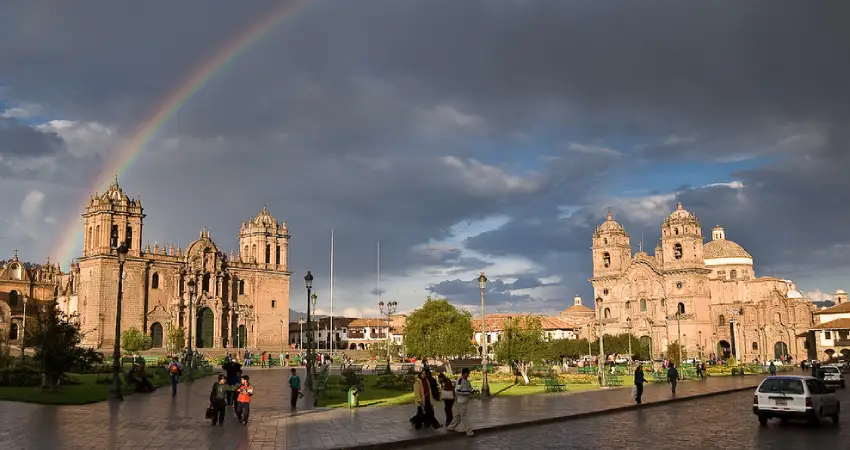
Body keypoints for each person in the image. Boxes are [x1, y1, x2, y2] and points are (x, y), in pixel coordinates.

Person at [447, 368, 474, 437]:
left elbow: (469, 388)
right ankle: (469, 432)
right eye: (467, 374)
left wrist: (472, 391)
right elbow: (458, 391)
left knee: (458, 416)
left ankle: (451, 427)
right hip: (461, 402)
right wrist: (468, 392)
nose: (468, 375)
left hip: (465, 401)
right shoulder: (460, 381)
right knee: (464, 417)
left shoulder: (467, 381)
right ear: (464, 373)